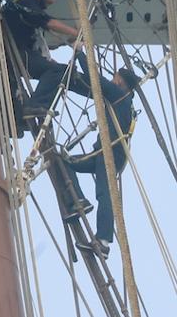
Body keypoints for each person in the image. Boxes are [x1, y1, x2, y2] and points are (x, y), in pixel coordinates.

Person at [60, 63, 140, 258]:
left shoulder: (119, 94)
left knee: (104, 193)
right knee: (64, 162)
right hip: (106, 153)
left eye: (115, 76)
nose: (113, 78)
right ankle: (79, 199)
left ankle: (103, 241)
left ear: (120, 80)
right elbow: (90, 85)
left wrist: (79, 52)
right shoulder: (123, 100)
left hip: (109, 153)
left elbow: (95, 79)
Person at [2, 0, 88, 116]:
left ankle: (28, 112)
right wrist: (77, 32)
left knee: (63, 71)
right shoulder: (26, 2)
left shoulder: (27, 6)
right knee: (59, 71)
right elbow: (49, 22)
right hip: (17, 54)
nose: (53, 1)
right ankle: (36, 105)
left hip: (23, 55)